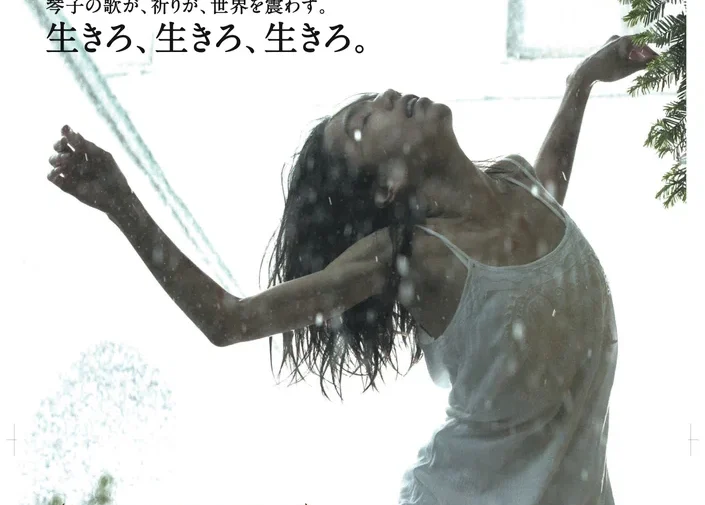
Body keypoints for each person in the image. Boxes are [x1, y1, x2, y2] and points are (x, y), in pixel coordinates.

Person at [47, 35, 657, 505]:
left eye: (371, 103)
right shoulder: (412, 255)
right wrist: (121, 203)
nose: (388, 97)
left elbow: (549, 196)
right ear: (387, 186)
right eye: (365, 122)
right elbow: (229, 320)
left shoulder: (523, 188)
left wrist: (582, 80)